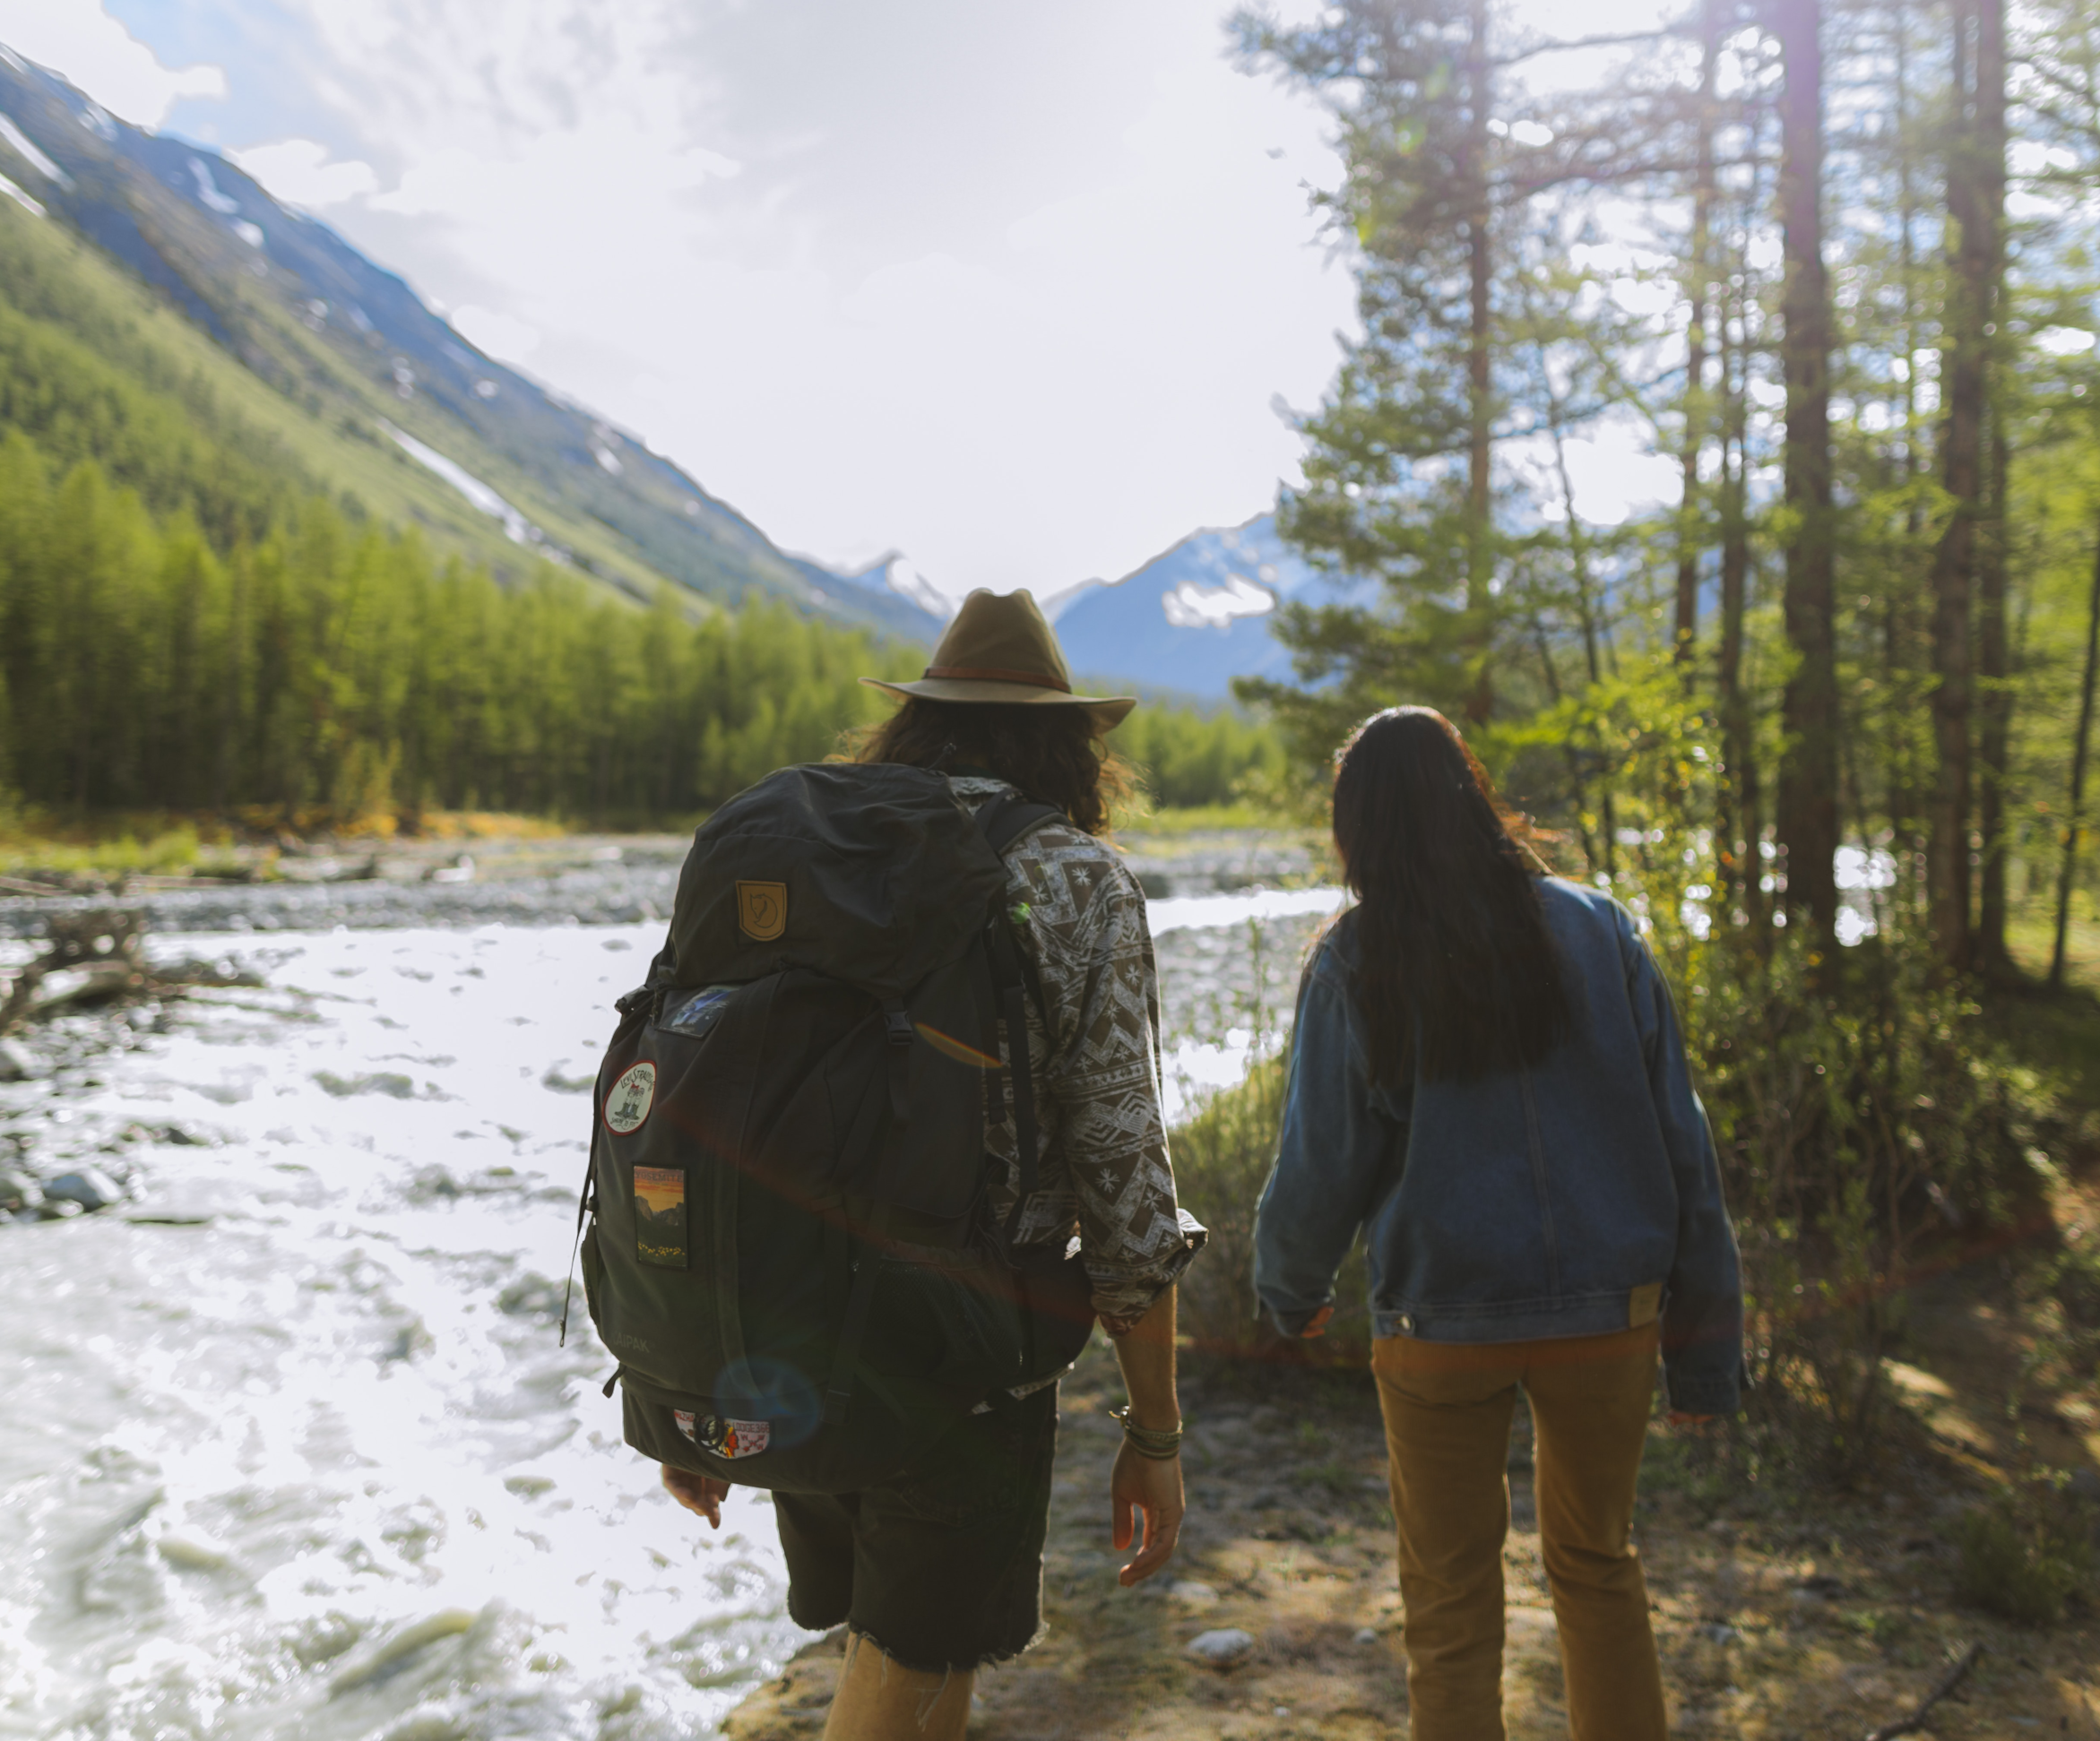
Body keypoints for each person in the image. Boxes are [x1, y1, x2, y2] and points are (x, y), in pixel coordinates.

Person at [655, 588, 1203, 1741]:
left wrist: (678, 1372)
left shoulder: (799, 846)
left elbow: (676, 1095)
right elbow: (1123, 1184)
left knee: (917, 1652)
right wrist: (1153, 1433)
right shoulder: (1074, 880)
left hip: (777, 1318)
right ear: (1071, 743)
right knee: (908, 1665)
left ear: (915, 721)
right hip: (953, 1352)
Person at [1252, 706, 1741, 1741]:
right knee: (1599, 1567)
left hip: (1439, 1325)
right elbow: (1682, 1147)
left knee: (1450, 1604)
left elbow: (1321, 1161)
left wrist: (1290, 1289)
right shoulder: (1600, 928)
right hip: (1610, 1316)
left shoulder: (1354, 960)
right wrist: (1707, 1350)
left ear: (1359, 831)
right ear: (1474, 798)